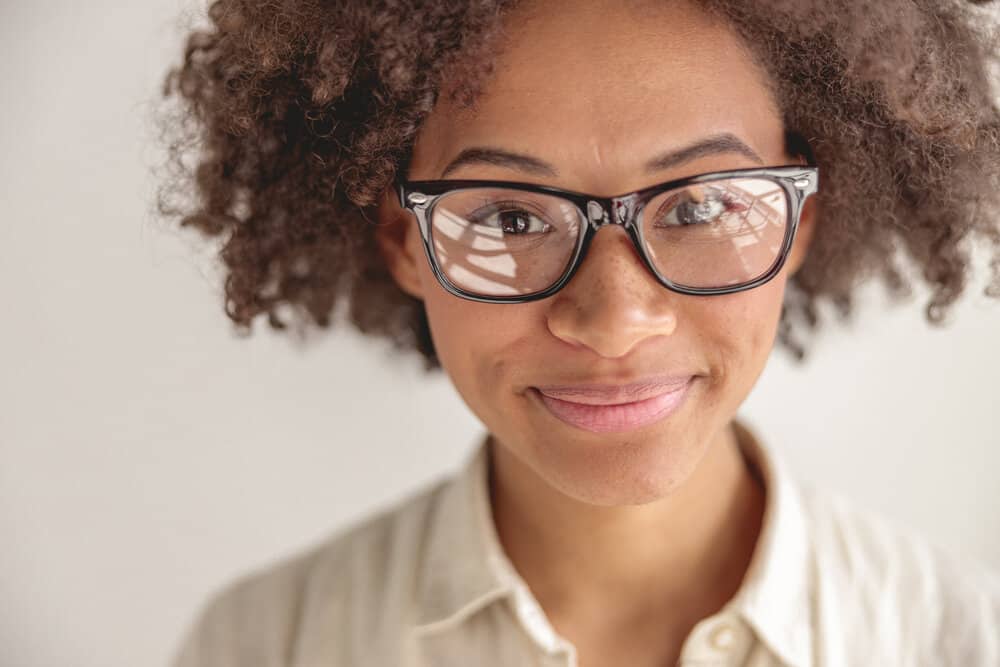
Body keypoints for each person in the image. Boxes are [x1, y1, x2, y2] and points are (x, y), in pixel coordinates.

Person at [160, 0, 1000, 665]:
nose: (613, 319)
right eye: (513, 216)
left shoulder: (961, 641)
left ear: (802, 223)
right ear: (402, 241)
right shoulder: (265, 646)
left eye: (700, 206)